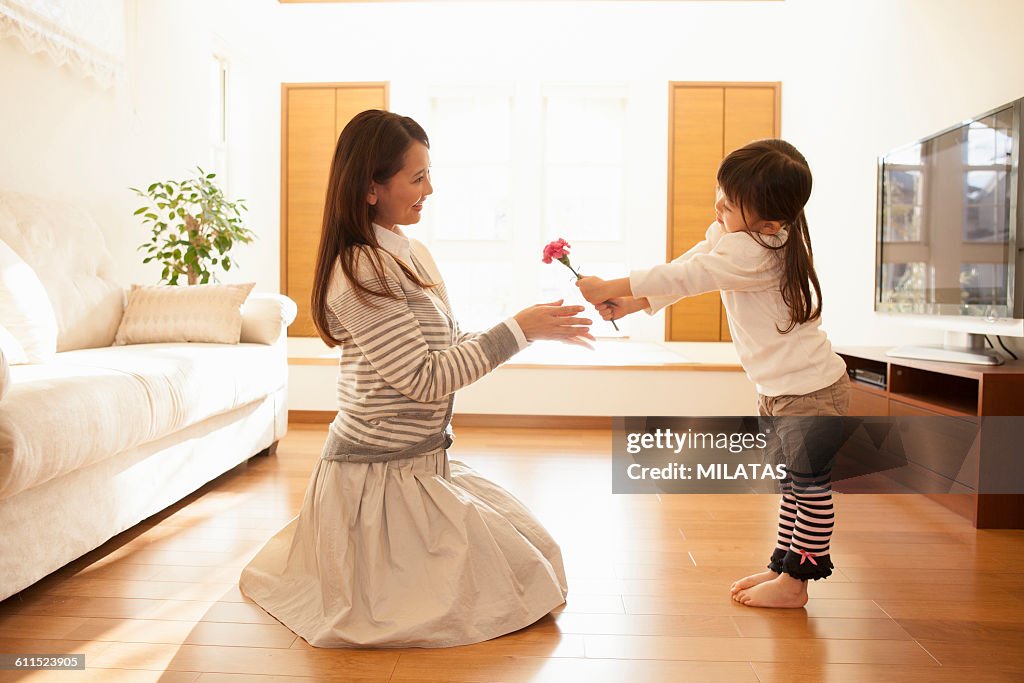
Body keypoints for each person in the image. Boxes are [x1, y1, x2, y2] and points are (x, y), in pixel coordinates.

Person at [240, 109, 593, 646]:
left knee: (538, 562)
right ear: (371, 188)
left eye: (429, 173)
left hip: (425, 463)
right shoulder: (357, 270)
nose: (431, 188)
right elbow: (425, 379)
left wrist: (530, 327)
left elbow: (448, 344)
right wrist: (518, 330)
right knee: (503, 592)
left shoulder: (412, 254)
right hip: (375, 481)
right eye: (418, 176)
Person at [576, 139, 849, 609]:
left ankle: (798, 582)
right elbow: (691, 268)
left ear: (769, 221)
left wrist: (613, 285)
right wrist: (637, 302)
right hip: (782, 391)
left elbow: (694, 274)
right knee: (790, 486)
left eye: (732, 201)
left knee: (810, 490)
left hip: (810, 394)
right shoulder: (738, 237)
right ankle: (782, 566)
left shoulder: (760, 250)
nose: (719, 204)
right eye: (721, 191)